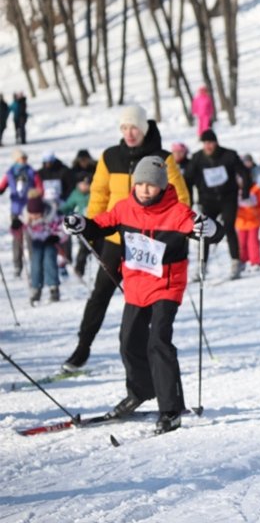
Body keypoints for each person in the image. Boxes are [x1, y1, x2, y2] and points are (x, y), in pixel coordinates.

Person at [63, 156, 224, 434]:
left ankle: (171, 409)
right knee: (128, 342)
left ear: (162, 187)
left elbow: (211, 233)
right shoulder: (125, 208)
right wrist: (81, 223)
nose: (145, 190)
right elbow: (100, 225)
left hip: (166, 285)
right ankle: (140, 392)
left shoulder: (177, 213)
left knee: (158, 341)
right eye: (140, 184)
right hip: (137, 285)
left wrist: (211, 229)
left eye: (151, 185)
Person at [61, 105, 191, 372]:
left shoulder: (162, 158)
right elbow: (98, 196)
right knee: (99, 295)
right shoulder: (110, 157)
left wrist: (172, 235)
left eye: (134, 127)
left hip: (150, 243)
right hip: (115, 240)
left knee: (150, 301)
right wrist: (92, 231)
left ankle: (149, 353)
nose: (129, 133)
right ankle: (82, 348)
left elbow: (181, 199)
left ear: (143, 129)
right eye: (124, 128)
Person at [183, 129, 251, 280]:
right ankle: (202, 267)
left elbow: (245, 173)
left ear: (216, 143)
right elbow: (187, 179)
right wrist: (188, 200)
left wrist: (245, 190)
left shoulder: (229, 155)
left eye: (210, 143)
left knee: (229, 228)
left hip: (228, 198)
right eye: (205, 143)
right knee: (204, 231)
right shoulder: (197, 158)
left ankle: (235, 263)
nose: (208, 146)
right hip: (207, 200)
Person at [0, 149, 42, 277]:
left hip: (30, 211)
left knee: (31, 239)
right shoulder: (10, 173)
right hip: (16, 210)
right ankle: (17, 266)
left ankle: (34, 264)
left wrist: (36, 198)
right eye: (21, 159)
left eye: (25, 158)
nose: (24, 161)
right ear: (16, 160)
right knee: (17, 239)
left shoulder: (31, 172)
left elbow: (40, 188)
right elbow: (2, 186)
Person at [24, 189, 66, 305]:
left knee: (49, 261)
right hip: (37, 242)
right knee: (35, 263)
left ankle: (53, 287)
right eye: (32, 215)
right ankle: (36, 288)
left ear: (42, 211)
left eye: (36, 214)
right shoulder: (28, 217)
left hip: (50, 241)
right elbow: (19, 229)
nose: (34, 217)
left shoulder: (52, 215)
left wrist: (57, 237)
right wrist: (15, 225)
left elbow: (63, 229)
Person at [235, 166, 260, 273]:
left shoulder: (256, 189)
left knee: (253, 242)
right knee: (241, 243)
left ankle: (255, 262)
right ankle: (242, 260)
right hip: (240, 221)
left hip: (253, 220)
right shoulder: (234, 189)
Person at [61, 176, 92, 278]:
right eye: (82, 184)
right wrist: (60, 211)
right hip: (81, 225)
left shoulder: (93, 194)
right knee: (84, 246)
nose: (84, 187)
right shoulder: (75, 194)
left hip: (93, 223)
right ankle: (79, 268)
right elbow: (68, 206)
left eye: (87, 185)